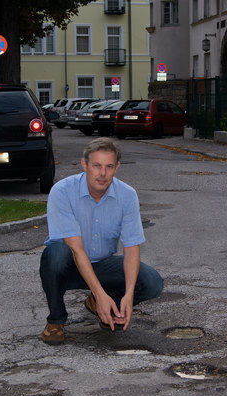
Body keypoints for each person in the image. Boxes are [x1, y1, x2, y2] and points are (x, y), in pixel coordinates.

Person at [39, 137, 163, 345]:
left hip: (102, 265)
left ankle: (101, 304)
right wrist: (100, 291)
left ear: (117, 167)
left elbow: (132, 248)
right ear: (84, 164)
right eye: (96, 166)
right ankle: (56, 320)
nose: (102, 173)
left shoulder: (127, 195)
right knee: (55, 253)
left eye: (109, 166)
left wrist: (129, 296)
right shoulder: (62, 191)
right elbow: (76, 249)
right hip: (68, 266)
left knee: (152, 282)